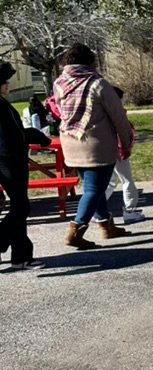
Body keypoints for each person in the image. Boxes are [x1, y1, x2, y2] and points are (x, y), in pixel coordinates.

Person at [54, 42, 132, 249]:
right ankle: (75, 230)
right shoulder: (98, 83)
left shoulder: (60, 82)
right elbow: (118, 116)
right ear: (90, 62)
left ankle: (106, 225)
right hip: (96, 145)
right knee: (93, 189)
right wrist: (126, 142)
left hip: (70, 141)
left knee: (94, 188)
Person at [0, 61, 45, 270]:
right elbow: (9, 139)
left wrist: (32, 135)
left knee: (19, 206)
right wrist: (30, 136)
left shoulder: (3, 104)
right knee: (21, 206)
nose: (8, 84)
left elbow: (16, 134)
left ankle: (21, 255)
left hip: (11, 160)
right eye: (4, 81)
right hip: (8, 161)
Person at [103, 86, 145, 224]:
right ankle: (130, 210)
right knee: (127, 181)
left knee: (112, 181)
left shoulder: (104, 111)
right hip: (119, 151)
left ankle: (95, 208)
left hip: (109, 150)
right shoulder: (116, 113)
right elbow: (122, 130)